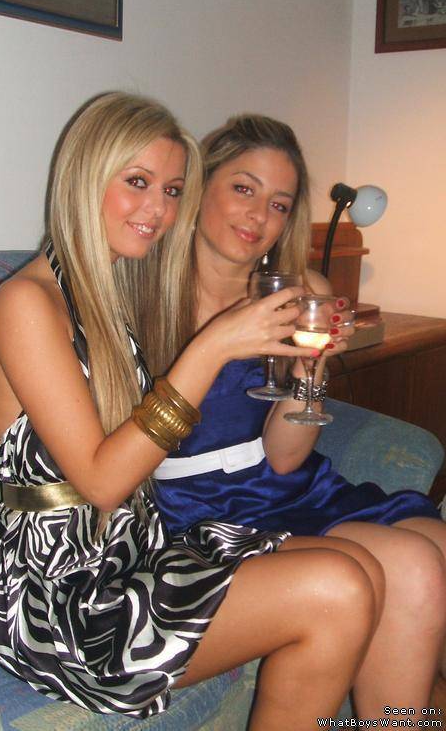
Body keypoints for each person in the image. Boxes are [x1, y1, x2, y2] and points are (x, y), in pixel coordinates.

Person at [0, 92, 377, 729]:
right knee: (338, 588)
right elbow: (102, 482)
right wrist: (212, 348)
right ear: (86, 177)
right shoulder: (26, 303)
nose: (158, 210)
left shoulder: (105, 295)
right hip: (61, 591)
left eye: (172, 191)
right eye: (137, 182)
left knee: (362, 569)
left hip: (137, 546)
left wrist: (305, 364)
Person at [150, 113, 446, 714]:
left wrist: (311, 371)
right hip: (194, 508)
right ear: (200, 186)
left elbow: (285, 458)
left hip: (284, 485)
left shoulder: (299, 293)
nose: (259, 216)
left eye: (280, 204)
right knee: (413, 563)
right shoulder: (146, 290)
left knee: (435, 548)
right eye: (243, 188)